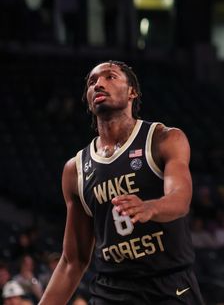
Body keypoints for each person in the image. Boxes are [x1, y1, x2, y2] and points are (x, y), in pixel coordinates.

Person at [40, 61, 203, 304]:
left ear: (132, 92)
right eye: (92, 82)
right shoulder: (75, 169)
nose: (99, 84)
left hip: (170, 286)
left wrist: (151, 207)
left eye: (110, 77)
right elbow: (73, 261)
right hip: (111, 291)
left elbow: (180, 199)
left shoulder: (163, 138)